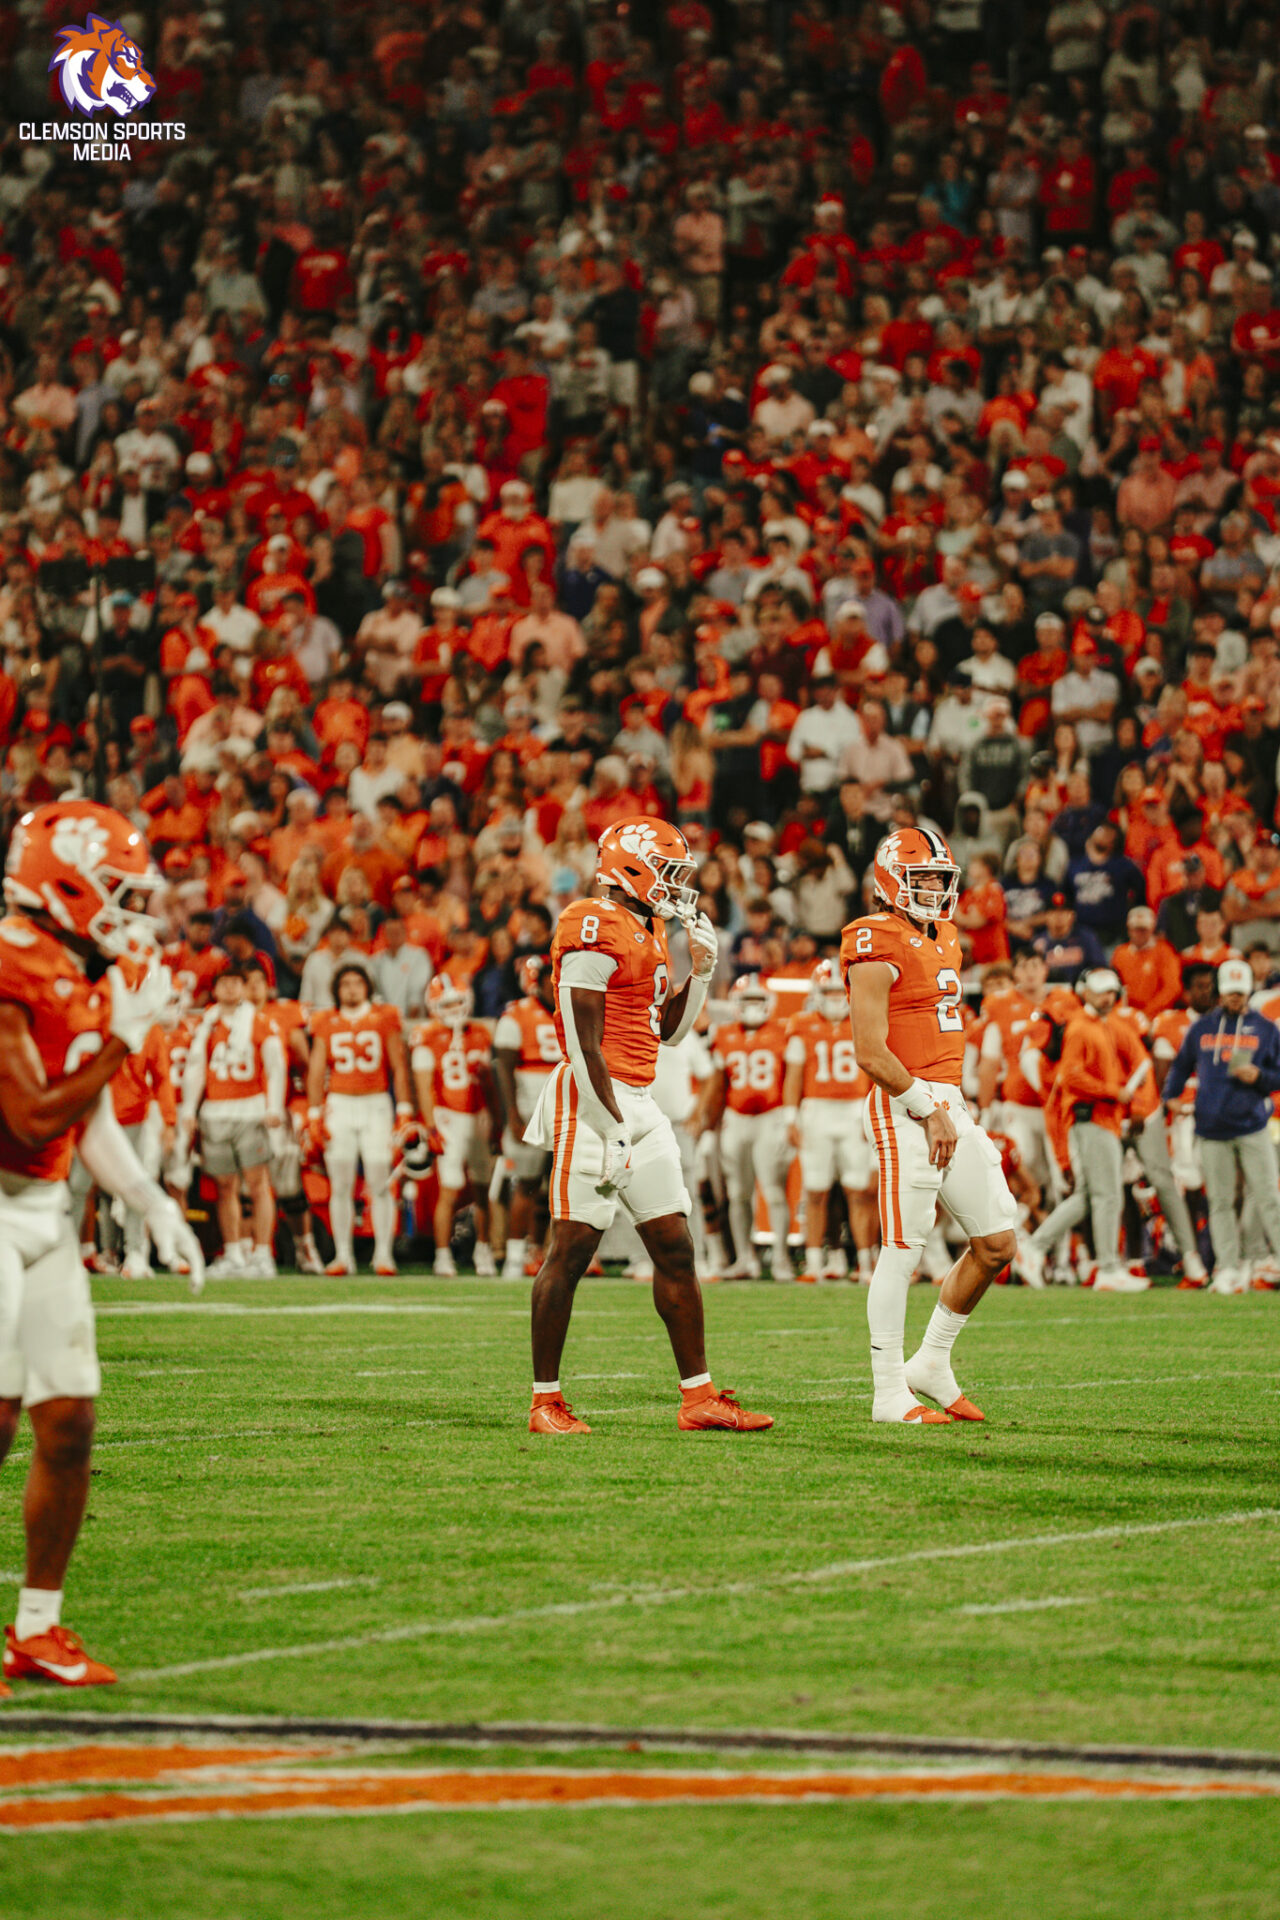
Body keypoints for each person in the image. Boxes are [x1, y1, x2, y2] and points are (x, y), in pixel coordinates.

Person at [0, 801, 202, 1691]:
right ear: (68, 885)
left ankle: (37, 1630)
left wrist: (150, 1201)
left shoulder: (80, 965)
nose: (132, 911)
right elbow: (26, 1116)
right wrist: (122, 1039)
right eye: (116, 891)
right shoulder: (9, 960)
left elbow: (81, 1117)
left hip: (42, 1210)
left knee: (69, 1420)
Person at [522, 819, 772, 1435]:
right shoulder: (591, 922)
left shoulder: (649, 927)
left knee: (675, 1247)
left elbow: (667, 1033)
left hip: (638, 1097)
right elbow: (582, 1043)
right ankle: (544, 1402)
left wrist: (702, 973)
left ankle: (698, 1397)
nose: (676, 885)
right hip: (591, 1100)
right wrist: (609, 1126)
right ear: (629, 868)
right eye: (667, 871)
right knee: (571, 1250)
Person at [842, 826, 1018, 1425]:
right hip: (904, 1103)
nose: (935, 889)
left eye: (941, 879)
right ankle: (889, 1392)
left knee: (996, 1244)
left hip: (948, 1101)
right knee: (903, 1249)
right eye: (922, 879)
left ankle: (932, 1361)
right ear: (890, 881)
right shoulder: (872, 936)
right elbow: (870, 1050)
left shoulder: (945, 934)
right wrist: (926, 1107)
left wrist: (945, 1106)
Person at [1014, 968, 1149, 1292]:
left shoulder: (1102, 1026)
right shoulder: (1081, 1028)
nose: (1107, 997)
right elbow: (1071, 1076)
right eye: (1101, 991)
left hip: (1101, 1118)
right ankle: (1108, 1268)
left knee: (1089, 1196)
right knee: (1106, 1196)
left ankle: (1034, 1248)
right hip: (1092, 1118)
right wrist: (1115, 1092)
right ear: (1086, 993)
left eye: (1111, 991)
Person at [1162, 957, 1280, 1294]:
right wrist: (1170, 1096)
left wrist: (1260, 1077)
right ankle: (1227, 1268)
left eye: (1240, 992)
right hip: (1211, 1128)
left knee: (1269, 1198)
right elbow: (1181, 1065)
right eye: (1230, 992)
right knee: (1220, 1202)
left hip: (1252, 1125)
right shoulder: (1201, 1028)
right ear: (1220, 992)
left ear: (1249, 991)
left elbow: (1279, 1074)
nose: (1235, 998)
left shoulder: (1266, 1029)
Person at [307, 958, 412, 1277]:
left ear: (367, 987)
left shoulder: (385, 1017)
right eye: (345, 984)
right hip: (339, 1104)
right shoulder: (325, 1020)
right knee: (340, 1184)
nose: (351, 989)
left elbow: (398, 1066)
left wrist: (404, 1110)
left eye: (357, 983)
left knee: (380, 1182)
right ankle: (343, 1255)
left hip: (376, 1104)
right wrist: (314, 1113)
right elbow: (316, 1069)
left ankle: (383, 1255)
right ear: (336, 990)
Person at [179, 965, 286, 1278]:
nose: (229, 988)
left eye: (235, 983)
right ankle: (234, 1252)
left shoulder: (260, 1022)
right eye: (223, 983)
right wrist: (189, 1109)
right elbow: (195, 1068)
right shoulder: (205, 1024)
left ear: (243, 987)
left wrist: (274, 1106)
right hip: (216, 1111)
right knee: (225, 1187)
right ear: (214, 989)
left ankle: (263, 1253)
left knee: (258, 1183)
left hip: (250, 1110)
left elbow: (275, 1068)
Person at [782, 958, 877, 1282]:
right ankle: (813, 1263)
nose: (836, 998)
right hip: (816, 1111)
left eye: (840, 992)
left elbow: (877, 1072)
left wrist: (872, 1114)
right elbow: (794, 1075)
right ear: (816, 994)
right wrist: (791, 1117)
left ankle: (866, 1264)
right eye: (829, 992)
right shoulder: (802, 1024)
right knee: (815, 1190)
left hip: (854, 1110)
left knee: (859, 1191)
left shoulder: (865, 1021)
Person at [412, 975, 499, 1278]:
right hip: (448, 1116)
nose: (453, 1009)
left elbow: (489, 1084)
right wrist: (431, 1127)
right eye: (446, 1003)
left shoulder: (480, 1033)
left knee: (483, 1189)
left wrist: (496, 1121)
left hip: (479, 1116)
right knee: (449, 1189)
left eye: (457, 1002)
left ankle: (483, 1249)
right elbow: (424, 1087)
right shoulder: (426, 1036)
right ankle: (442, 1254)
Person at [707, 975, 793, 1281]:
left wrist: (791, 1118)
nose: (753, 1006)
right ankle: (745, 1258)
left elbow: (792, 1077)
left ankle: (781, 1258)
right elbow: (718, 1085)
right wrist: (711, 1124)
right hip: (736, 1117)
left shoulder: (783, 1032)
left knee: (773, 1191)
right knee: (737, 1193)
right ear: (735, 1003)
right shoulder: (723, 1034)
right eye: (747, 1000)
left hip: (771, 1116)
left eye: (758, 1000)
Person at [492, 954, 561, 1281]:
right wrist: (513, 1116)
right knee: (526, 1184)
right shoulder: (516, 1015)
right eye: (551, 981)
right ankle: (514, 1257)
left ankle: (541, 1251)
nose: (555, 987)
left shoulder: (573, 1010)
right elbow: (503, 1067)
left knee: (564, 1186)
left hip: (567, 1109)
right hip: (531, 1108)